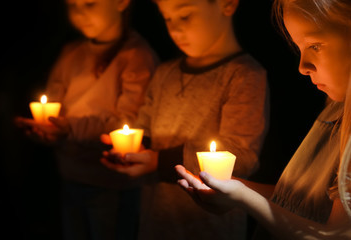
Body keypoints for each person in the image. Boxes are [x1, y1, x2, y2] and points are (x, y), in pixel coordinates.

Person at [175, 0, 351, 239]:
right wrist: (237, 190)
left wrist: (242, 196)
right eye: (299, 48)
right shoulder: (335, 110)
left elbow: (335, 235)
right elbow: (303, 204)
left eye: (315, 45)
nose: (302, 67)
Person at [100, 0, 269, 239]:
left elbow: (241, 157)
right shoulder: (164, 73)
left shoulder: (244, 75)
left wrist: (158, 162)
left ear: (227, 4)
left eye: (185, 16)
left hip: (211, 226)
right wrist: (131, 151)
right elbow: (144, 127)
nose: (174, 29)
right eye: (167, 18)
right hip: (155, 221)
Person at [15, 0, 159, 239]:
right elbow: (54, 109)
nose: (80, 13)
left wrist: (70, 128)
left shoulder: (137, 57)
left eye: (90, 4)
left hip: (111, 184)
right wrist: (47, 132)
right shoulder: (71, 53)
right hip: (69, 176)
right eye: (73, 5)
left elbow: (128, 123)